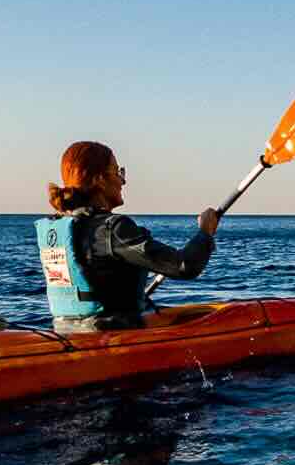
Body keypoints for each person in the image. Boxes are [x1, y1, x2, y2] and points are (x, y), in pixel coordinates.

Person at [38, 140, 221, 328]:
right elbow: (185, 266)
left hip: (68, 331)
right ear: (99, 180)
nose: (123, 180)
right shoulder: (113, 229)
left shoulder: (59, 226)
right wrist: (205, 232)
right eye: (117, 172)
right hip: (113, 336)